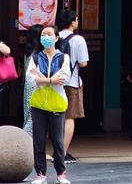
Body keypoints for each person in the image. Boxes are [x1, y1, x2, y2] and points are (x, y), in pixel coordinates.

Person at [28, 25, 71, 184]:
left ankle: (61, 173)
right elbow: (32, 79)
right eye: (43, 34)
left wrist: (43, 78)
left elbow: (64, 78)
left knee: (58, 141)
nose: (45, 37)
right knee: (38, 140)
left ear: (56, 37)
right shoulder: (35, 57)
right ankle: (40, 174)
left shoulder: (63, 58)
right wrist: (52, 80)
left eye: (49, 34)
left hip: (57, 104)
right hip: (38, 104)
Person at [57, 10, 89, 164]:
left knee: (56, 117)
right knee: (69, 118)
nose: (78, 21)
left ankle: (57, 150)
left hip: (54, 81)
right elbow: (83, 62)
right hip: (71, 82)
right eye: (76, 19)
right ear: (72, 21)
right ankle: (62, 153)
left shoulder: (53, 36)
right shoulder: (78, 39)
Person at [23, 25, 45, 136]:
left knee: (28, 114)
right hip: (38, 85)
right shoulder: (40, 53)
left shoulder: (28, 51)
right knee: (35, 116)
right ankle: (26, 138)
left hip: (28, 85)